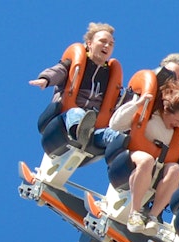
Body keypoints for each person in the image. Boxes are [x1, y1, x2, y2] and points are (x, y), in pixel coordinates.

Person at [107, 77, 179, 233]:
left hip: (158, 168)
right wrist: (137, 104)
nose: (178, 124)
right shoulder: (149, 113)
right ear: (166, 110)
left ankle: (152, 216)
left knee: (176, 169)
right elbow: (115, 125)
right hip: (128, 160)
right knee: (147, 160)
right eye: (176, 120)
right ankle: (134, 213)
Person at [29, 22, 122, 152]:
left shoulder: (109, 75)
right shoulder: (77, 63)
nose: (107, 46)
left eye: (111, 44)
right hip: (66, 117)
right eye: (102, 41)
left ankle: (123, 152)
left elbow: (120, 99)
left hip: (94, 126)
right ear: (89, 43)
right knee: (77, 113)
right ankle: (78, 133)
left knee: (113, 135)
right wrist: (46, 79)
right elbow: (59, 71)